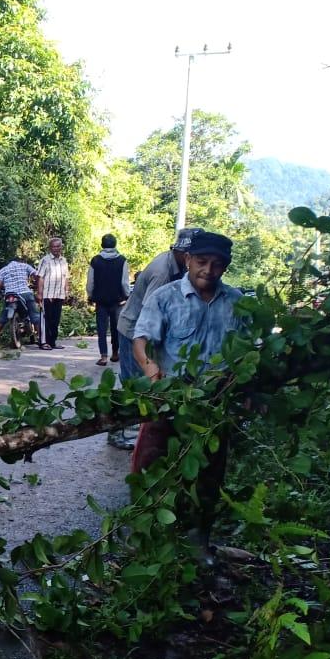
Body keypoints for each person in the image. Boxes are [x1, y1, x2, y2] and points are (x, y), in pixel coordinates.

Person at [131, 230, 245, 547]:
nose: (208, 270)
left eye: (217, 264)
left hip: (214, 408)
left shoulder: (237, 303)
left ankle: (198, 541)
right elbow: (141, 340)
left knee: (208, 476)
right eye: (202, 261)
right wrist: (150, 368)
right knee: (150, 468)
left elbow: (249, 349)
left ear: (226, 266)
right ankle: (147, 540)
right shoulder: (164, 297)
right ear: (188, 260)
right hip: (169, 401)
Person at [106, 227, 202, 450]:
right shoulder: (163, 273)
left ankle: (146, 432)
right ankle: (116, 431)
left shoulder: (179, 266)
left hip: (147, 331)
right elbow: (151, 314)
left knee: (150, 383)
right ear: (183, 253)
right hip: (134, 330)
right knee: (134, 384)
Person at [85, 234, 131, 367]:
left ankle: (103, 356)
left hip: (101, 301)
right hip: (117, 300)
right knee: (116, 328)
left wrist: (90, 295)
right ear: (115, 244)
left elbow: (90, 282)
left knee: (102, 329)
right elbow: (124, 282)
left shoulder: (95, 260)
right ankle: (115, 353)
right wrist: (126, 296)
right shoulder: (122, 260)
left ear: (102, 245)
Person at [0, 258, 42, 346]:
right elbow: (37, 275)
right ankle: (40, 337)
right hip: (25, 293)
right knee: (34, 315)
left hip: (10, 295)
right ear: (19, 261)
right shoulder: (24, 266)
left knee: (3, 316)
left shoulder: (3, 269)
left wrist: (6, 287)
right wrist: (37, 285)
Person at [36, 237, 70, 350]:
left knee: (55, 320)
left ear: (61, 247)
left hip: (59, 294)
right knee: (46, 319)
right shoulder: (45, 260)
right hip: (47, 294)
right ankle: (43, 342)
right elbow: (40, 277)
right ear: (50, 248)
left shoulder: (63, 260)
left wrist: (66, 291)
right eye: (54, 246)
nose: (56, 248)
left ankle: (52, 342)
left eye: (58, 246)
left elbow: (66, 277)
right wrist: (39, 293)